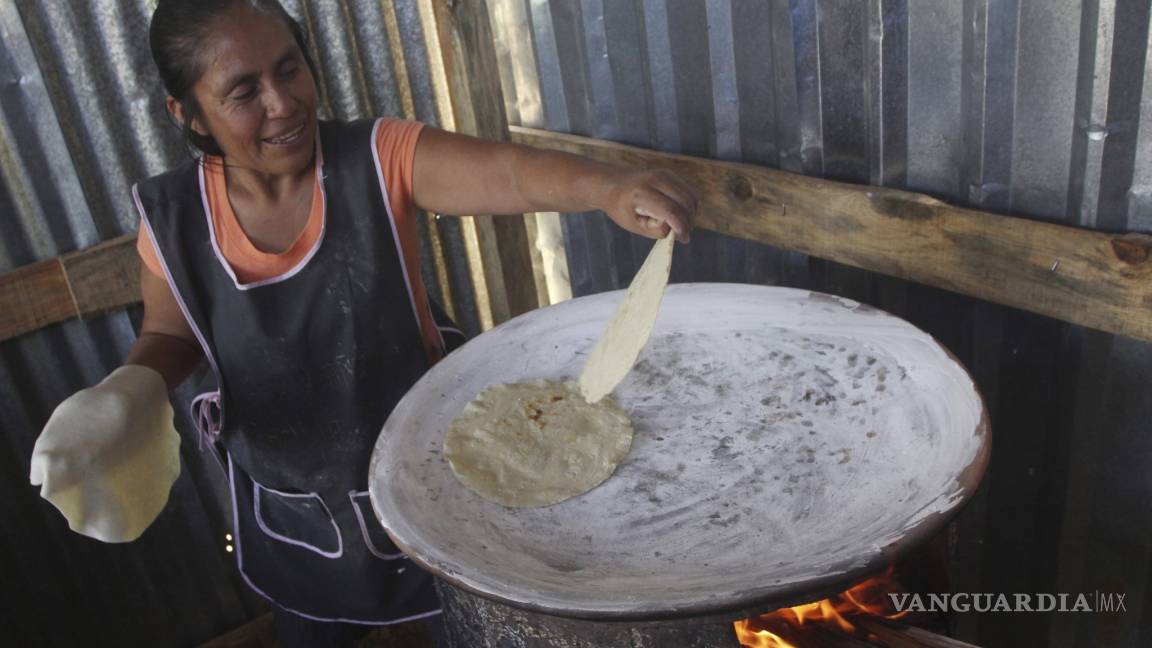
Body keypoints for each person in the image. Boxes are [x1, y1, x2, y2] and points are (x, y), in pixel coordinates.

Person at [29, 1, 696, 646]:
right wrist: (130, 388)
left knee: (462, 622)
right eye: (243, 91)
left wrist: (606, 188)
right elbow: (171, 334)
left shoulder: (376, 159)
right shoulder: (173, 219)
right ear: (191, 115)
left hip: (428, 478)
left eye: (289, 69)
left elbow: (514, 176)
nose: (283, 103)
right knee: (308, 626)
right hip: (294, 509)